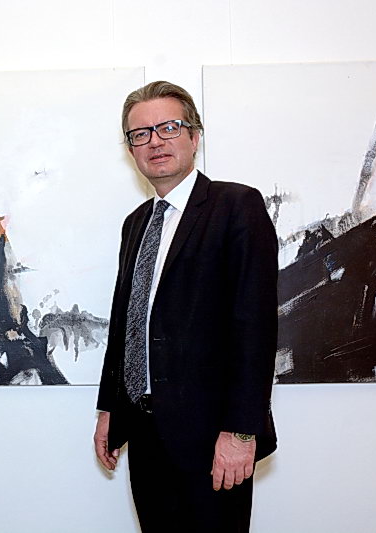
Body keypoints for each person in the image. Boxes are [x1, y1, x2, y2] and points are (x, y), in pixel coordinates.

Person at [93, 81, 278, 532]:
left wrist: (241, 432)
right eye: (140, 134)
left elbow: (254, 327)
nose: (155, 141)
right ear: (130, 149)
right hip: (145, 432)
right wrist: (109, 410)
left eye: (169, 128)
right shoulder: (136, 223)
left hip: (213, 435)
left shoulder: (237, 206)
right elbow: (127, 323)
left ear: (195, 136)